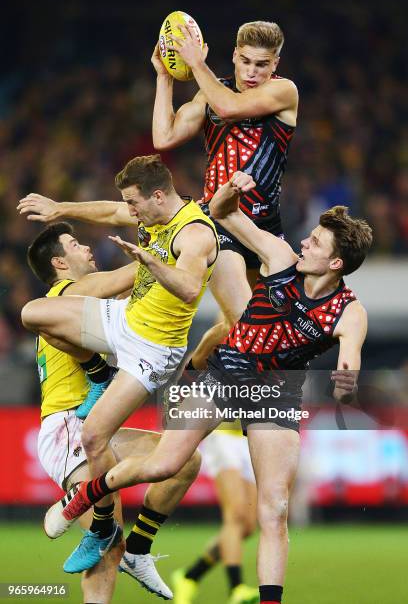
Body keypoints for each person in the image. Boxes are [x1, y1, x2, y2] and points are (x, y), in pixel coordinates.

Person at [29, 171, 372, 604]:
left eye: (317, 243)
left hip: (275, 394)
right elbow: (225, 215)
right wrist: (229, 194)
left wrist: (345, 383)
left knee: (274, 509)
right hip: (225, 374)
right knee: (163, 465)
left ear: (336, 264)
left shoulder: (349, 310)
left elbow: (350, 358)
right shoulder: (282, 258)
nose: (305, 242)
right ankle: (82, 501)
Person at [20, 154, 218, 576]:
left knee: (177, 461)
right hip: (114, 341)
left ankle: (123, 537)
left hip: (150, 348)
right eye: (75, 245)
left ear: (158, 196)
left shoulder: (192, 233)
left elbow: (186, 287)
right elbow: (113, 217)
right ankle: (99, 377)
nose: (128, 212)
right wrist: (61, 208)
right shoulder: (75, 287)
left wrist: (148, 260)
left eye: (133, 202)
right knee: (31, 313)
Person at [151, 19, 298, 368]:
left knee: (265, 322)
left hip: (264, 228)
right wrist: (164, 78)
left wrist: (197, 64)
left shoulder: (284, 91)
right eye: (245, 60)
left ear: (275, 64)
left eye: (262, 64)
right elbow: (164, 138)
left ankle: (198, 363)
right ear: (234, 54)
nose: (251, 71)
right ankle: (257, 416)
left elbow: (230, 107)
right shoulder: (209, 92)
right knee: (249, 324)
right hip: (219, 222)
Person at [172, 423, 258, 604]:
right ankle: (237, 588)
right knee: (235, 515)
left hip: (248, 439)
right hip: (222, 434)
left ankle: (191, 576)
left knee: (248, 526)